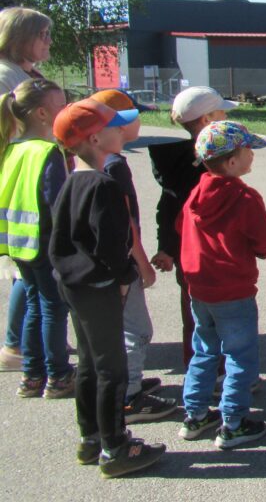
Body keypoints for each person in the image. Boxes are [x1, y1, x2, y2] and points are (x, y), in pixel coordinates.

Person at [49, 99, 166, 478]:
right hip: (99, 286)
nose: (121, 132)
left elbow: (58, 242)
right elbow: (112, 244)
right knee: (111, 369)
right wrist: (120, 280)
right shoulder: (105, 185)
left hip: (74, 285)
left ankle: (91, 438)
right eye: (114, 127)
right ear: (96, 138)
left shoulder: (72, 181)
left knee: (89, 364)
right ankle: (115, 447)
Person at [177, 121, 266, 450]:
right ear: (232, 162)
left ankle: (194, 415)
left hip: (199, 289)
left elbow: (182, 226)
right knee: (239, 356)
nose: (253, 155)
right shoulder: (244, 197)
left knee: (204, 350)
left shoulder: (196, 191)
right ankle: (233, 423)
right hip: (233, 290)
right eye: (248, 150)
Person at [90, 90, 176, 423]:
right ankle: (129, 396)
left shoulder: (98, 160)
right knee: (137, 331)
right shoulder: (115, 166)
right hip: (123, 264)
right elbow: (126, 224)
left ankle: (128, 381)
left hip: (103, 267)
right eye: (131, 117)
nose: (138, 122)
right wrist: (142, 264)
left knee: (120, 328)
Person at [149, 86, 238, 366]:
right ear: (206, 120)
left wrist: (166, 248)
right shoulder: (206, 166)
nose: (226, 116)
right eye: (221, 112)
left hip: (187, 255)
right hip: (213, 256)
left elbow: (166, 209)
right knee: (217, 316)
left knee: (194, 315)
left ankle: (198, 369)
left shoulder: (173, 163)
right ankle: (216, 371)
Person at [0, 78, 74, 398]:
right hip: (45, 245)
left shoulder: (12, 148)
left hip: (19, 243)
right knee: (53, 309)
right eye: (61, 106)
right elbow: (57, 203)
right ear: (43, 114)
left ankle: (32, 375)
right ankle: (58, 375)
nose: (66, 110)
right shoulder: (47, 152)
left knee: (35, 306)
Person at [0, 6, 53, 372]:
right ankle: (16, 345)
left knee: (30, 260)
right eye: (42, 35)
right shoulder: (7, 78)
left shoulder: (25, 73)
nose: (48, 42)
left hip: (30, 171)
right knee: (30, 259)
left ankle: (24, 342)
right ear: (20, 39)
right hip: (22, 175)